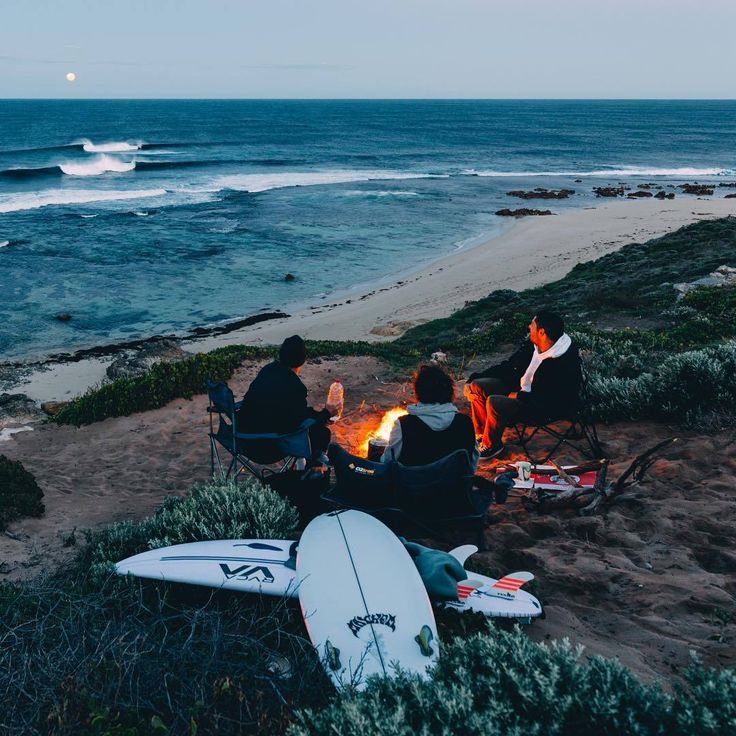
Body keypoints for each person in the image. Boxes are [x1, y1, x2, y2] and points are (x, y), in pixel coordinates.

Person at [463, 310, 582, 460]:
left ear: (542, 332)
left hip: (540, 407)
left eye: (532, 325)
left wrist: (520, 396)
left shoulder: (561, 362)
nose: (528, 327)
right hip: (522, 389)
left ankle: (492, 446)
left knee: (494, 402)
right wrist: (475, 377)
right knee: (477, 386)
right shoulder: (532, 346)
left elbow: (551, 399)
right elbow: (508, 366)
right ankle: (481, 436)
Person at [237, 335, 335, 464]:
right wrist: (325, 414)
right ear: (302, 359)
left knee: (313, 421)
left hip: (241, 439)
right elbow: (298, 422)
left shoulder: (268, 370)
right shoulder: (295, 386)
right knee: (321, 433)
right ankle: (312, 472)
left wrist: (313, 412)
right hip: (267, 447)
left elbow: (282, 408)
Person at [381, 364, 479, 470]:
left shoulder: (404, 424)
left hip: (413, 485)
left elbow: (387, 462)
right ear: (449, 391)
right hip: (454, 485)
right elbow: (472, 464)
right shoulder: (465, 423)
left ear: (418, 391)